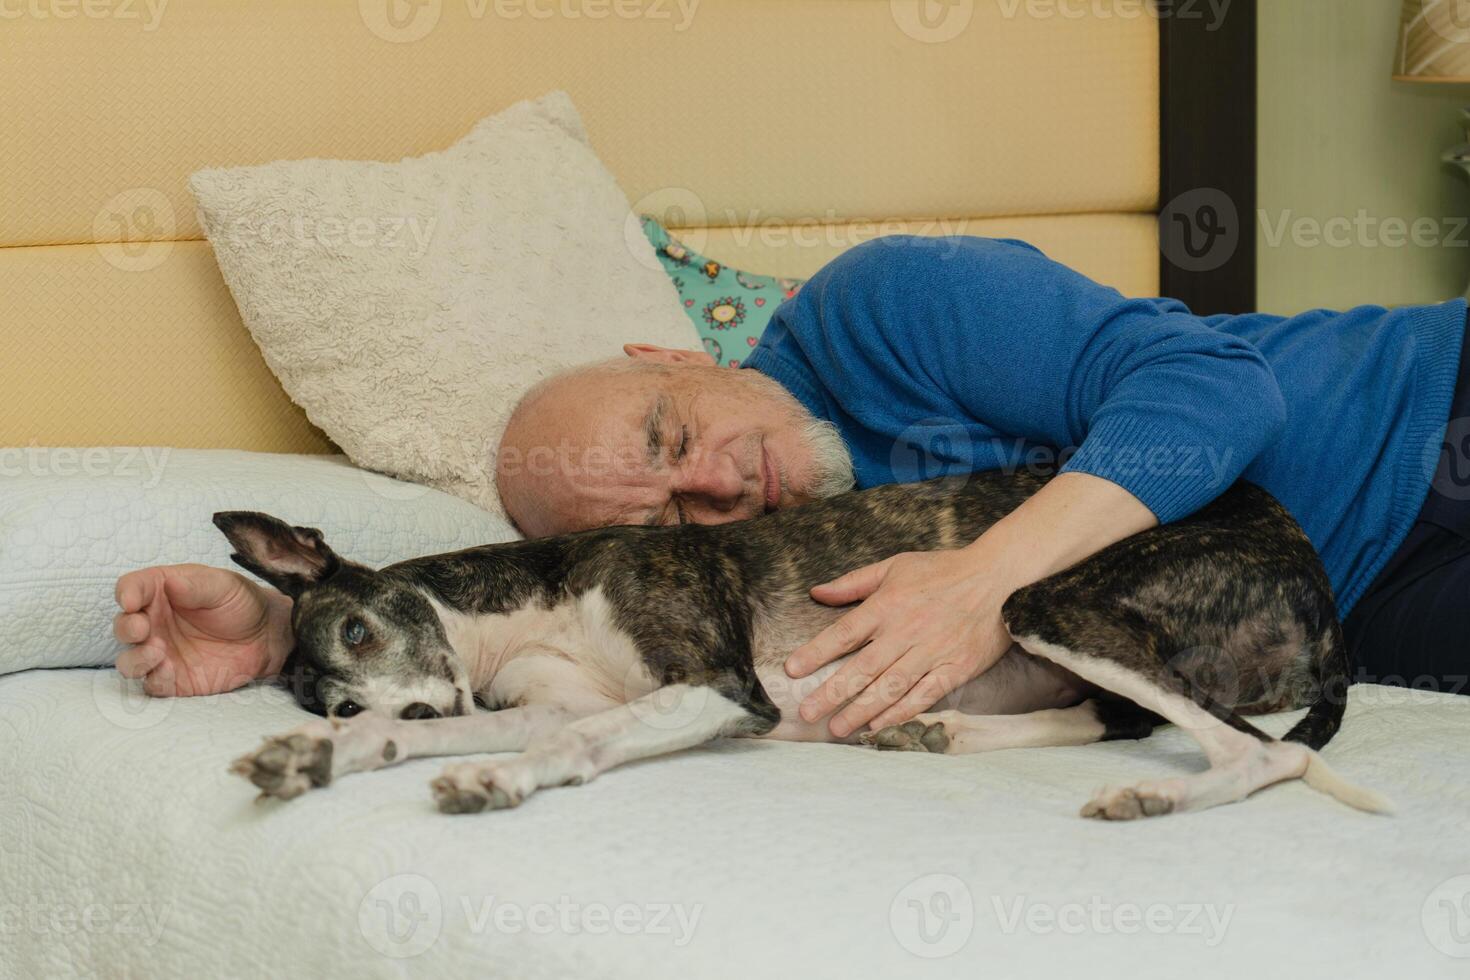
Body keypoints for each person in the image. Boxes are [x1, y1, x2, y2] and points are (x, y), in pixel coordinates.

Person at [113, 235, 1470, 736]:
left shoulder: (880, 307)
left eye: (663, 434)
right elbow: (473, 623)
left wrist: (983, 578)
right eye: (667, 517)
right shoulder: (777, 570)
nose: (714, 486)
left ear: (671, 353)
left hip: (1425, 404)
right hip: (1352, 606)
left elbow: (1219, 392)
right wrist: (291, 624)